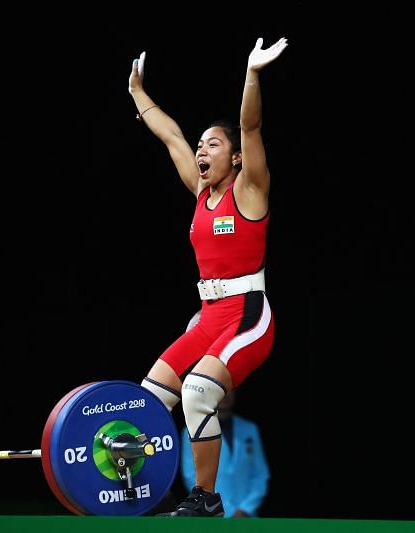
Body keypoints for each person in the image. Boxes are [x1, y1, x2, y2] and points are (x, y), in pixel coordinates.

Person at [131, 36, 287, 517]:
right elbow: (171, 136)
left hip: (249, 316)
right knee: (149, 399)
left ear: (235, 158)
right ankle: (151, 491)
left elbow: (250, 124)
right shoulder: (200, 194)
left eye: (213, 144)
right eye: (202, 145)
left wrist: (252, 75)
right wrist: (137, 92)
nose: (201, 150)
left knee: (198, 392)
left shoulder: (250, 189)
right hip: (207, 316)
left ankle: (207, 498)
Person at [181, 385, 270, 517]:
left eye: (230, 389)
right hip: (212, 515)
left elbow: (260, 474)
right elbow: (190, 475)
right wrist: (226, 509)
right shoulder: (193, 430)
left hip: (247, 517)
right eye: (220, 389)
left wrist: (245, 509)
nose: (226, 394)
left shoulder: (250, 429)